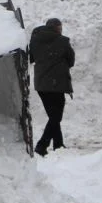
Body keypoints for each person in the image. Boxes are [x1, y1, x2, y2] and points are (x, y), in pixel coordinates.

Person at [29, 17, 75, 157]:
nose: (61, 31)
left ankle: (58, 144)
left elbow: (31, 58)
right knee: (56, 116)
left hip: (42, 85)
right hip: (57, 84)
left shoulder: (35, 40)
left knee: (53, 116)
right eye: (60, 28)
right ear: (56, 28)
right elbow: (71, 61)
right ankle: (41, 145)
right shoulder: (62, 41)